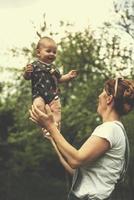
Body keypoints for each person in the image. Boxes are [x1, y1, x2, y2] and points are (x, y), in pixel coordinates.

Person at [29, 78, 134, 200]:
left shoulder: (110, 129)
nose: (99, 96)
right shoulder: (114, 130)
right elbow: (74, 169)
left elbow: (75, 160)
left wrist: (51, 127)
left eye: (102, 92)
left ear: (109, 99)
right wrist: (53, 136)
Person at [23, 36, 77, 131]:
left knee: (57, 109)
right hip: (39, 94)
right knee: (38, 106)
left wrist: (68, 76)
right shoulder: (34, 65)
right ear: (38, 52)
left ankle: (54, 127)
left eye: (54, 52)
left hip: (52, 94)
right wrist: (27, 72)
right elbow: (27, 77)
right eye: (48, 51)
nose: (52, 54)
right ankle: (46, 127)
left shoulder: (54, 68)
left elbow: (59, 79)